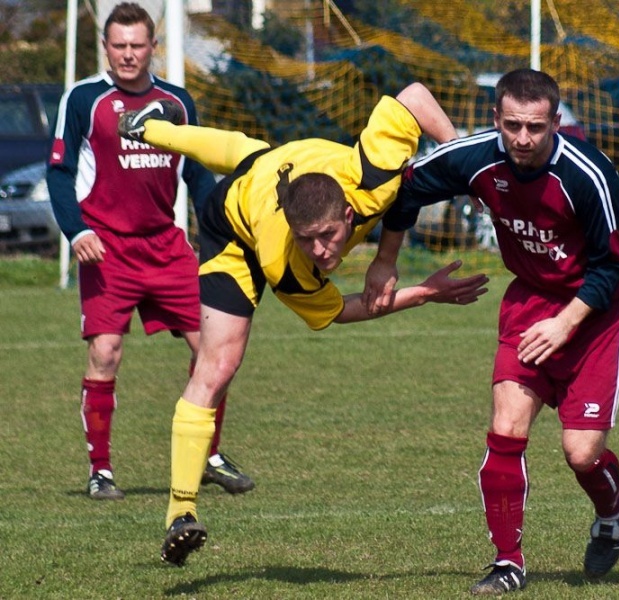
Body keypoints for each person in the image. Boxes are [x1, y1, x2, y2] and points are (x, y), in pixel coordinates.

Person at [116, 81, 490, 566]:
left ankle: (150, 126)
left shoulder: (370, 172)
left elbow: (416, 97)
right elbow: (341, 310)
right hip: (233, 230)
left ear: (351, 213)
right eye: (308, 240)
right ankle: (180, 513)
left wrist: (468, 166)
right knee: (218, 366)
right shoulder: (285, 260)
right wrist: (425, 294)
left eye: (329, 236)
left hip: (276, 162)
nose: (320, 250)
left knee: (247, 152)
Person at [366, 68, 619, 595]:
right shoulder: (476, 157)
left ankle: (611, 511)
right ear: (496, 119)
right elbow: (407, 189)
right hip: (531, 299)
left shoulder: (589, 175)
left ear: (555, 123)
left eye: (536, 127)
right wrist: (385, 260)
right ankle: (507, 562)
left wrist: (566, 323)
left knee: (581, 453)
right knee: (506, 427)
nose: (523, 138)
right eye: (512, 125)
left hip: (597, 310)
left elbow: (614, 266)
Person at [46, 2, 253, 501]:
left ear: (153, 47)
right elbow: (58, 173)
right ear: (106, 47)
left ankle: (208, 454)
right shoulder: (83, 100)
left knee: (213, 352)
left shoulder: (177, 103)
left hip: (167, 246)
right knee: (105, 352)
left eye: (137, 45)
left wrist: (219, 230)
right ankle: (101, 471)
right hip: (106, 249)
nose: (128, 55)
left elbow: (198, 174)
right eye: (119, 45)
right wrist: (76, 232)